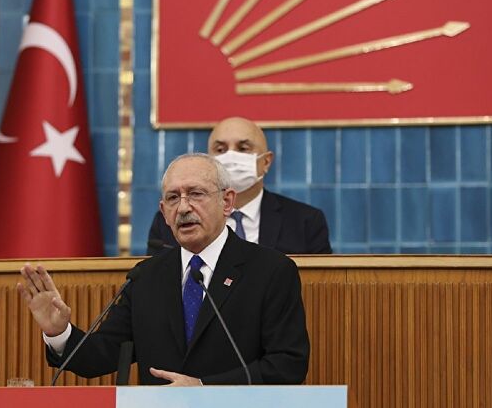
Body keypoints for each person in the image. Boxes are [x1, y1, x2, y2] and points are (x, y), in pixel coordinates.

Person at [20, 153, 309, 385]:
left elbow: (288, 365)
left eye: (196, 194)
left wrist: (204, 387)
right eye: (173, 198)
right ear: (164, 213)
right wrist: (59, 332)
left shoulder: (270, 271)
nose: (183, 208)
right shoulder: (146, 277)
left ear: (227, 202)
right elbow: (101, 356)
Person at [148, 116, 332, 255]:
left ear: (266, 162)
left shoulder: (305, 221)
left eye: (243, 149)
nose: (230, 156)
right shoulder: (174, 221)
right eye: (220, 150)